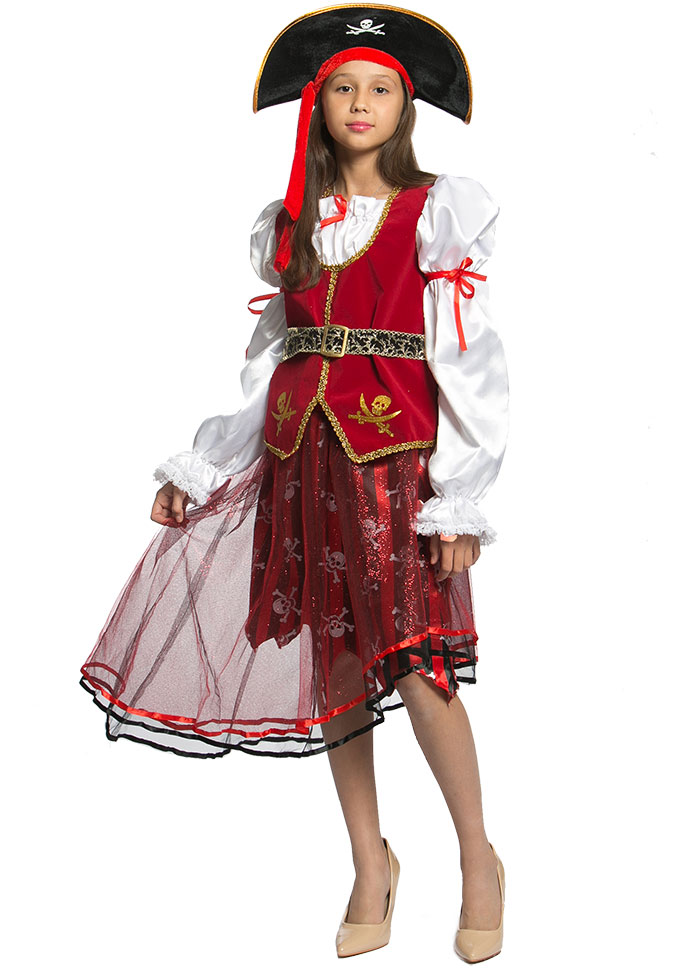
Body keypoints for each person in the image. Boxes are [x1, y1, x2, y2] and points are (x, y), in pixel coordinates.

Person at [78, 5, 509, 963]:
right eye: (343, 87)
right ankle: (369, 862)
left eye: (381, 89)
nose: (361, 103)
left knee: (418, 662)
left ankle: (478, 857)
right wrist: (205, 463)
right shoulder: (290, 226)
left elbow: (470, 361)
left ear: (405, 108)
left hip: (392, 465)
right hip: (299, 461)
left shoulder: (436, 211)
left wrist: (462, 496)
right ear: (318, 104)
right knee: (337, 660)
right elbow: (268, 359)